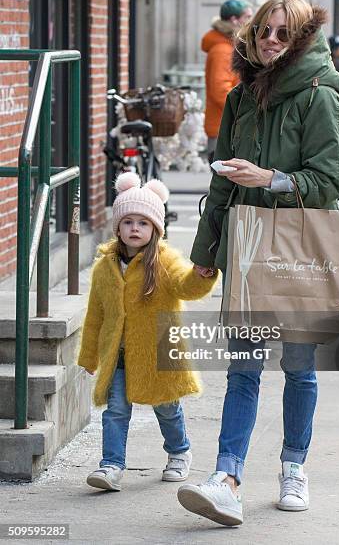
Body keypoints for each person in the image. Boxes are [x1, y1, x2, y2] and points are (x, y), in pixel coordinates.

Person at [177, 0, 339, 526]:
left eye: (282, 33)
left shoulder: (321, 93)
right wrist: (206, 252)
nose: (271, 40)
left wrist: (270, 179)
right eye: (264, 31)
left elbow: (327, 183)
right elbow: (220, 181)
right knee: (243, 370)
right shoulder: (241, 96)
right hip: (247, 247)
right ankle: (226, 477)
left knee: (298, 369)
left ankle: (293, 467)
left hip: (297, 250)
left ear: (299, 39)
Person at [77, 173, 218, 492]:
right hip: (119, 354)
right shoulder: (105, 266)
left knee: (167, 407)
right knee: (115, 412)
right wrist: (89, 355)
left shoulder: (164, 261)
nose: (135, 228)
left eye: (143, 222)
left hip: (157, 351)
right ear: (118, 227)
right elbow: (95, 314)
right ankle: (111, 464)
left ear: (155, 228)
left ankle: (180, 452)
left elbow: (186, 287)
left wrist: (203, 274)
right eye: (128, 222)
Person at [202, 0, 253, 164]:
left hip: (228, 126)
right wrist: (246, 110)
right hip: (223, 128)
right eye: (248, 17)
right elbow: (220, 91)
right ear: (234, 20)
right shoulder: (222, 50)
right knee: (225, 185)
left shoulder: (228, 46)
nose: (251, 22)